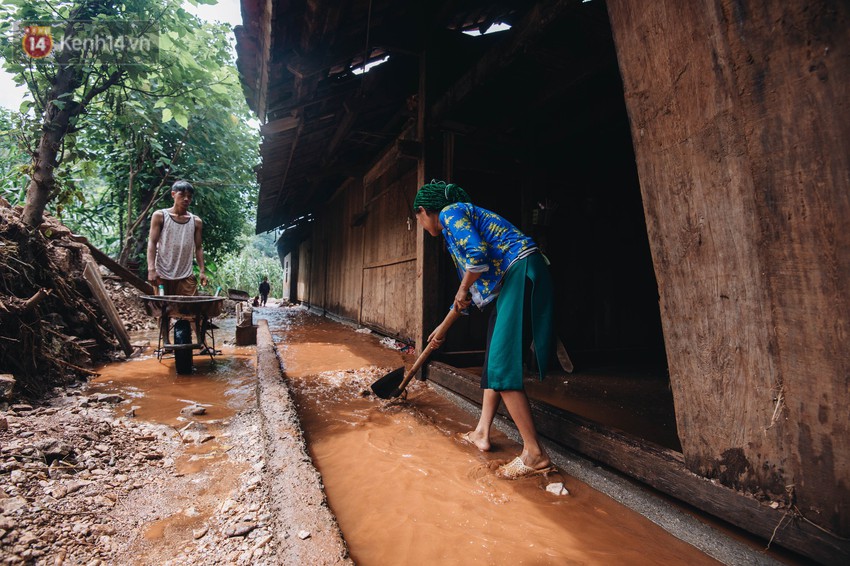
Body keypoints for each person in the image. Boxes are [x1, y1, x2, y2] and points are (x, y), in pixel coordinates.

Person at [414, 180, 555, 480]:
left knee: (502, 368)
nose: (421, 224)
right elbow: (471, 288)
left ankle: (534, 454)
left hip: (520, 271)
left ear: (425, 211)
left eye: (418, 218)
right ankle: (482, 432)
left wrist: (462, 289)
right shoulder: (457, 221)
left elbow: (476, 257)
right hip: (514, 279)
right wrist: (443, 325)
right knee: (494, 361)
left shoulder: (450, 214)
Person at [146, 180, 208, 341]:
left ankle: (200, 342)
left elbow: (199, 247)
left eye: (189, 196)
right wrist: (151, 268)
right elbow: (152, 242)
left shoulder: (196, 221)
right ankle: (165, 342)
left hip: (185, 273)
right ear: (173, 195)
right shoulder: (160, 216)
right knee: (163, 311)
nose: (186, 199)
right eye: (182, 195)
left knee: (193, 310)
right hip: (162, 272)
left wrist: (202, 271)